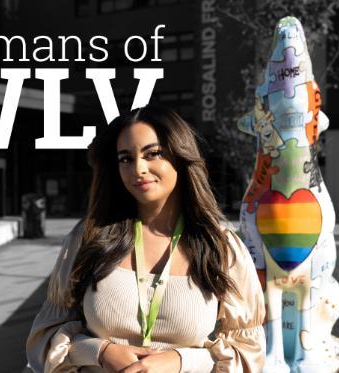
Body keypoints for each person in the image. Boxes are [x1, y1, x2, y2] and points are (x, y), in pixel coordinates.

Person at [26, 105, 266, 373]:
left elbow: (248, 353)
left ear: (180, 156)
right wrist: (100, 352)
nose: (138, 168)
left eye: (153, 154)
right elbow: (45, 338)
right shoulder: (88, 238)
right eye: (125, 159)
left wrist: (181, 360)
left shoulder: (221, 246)